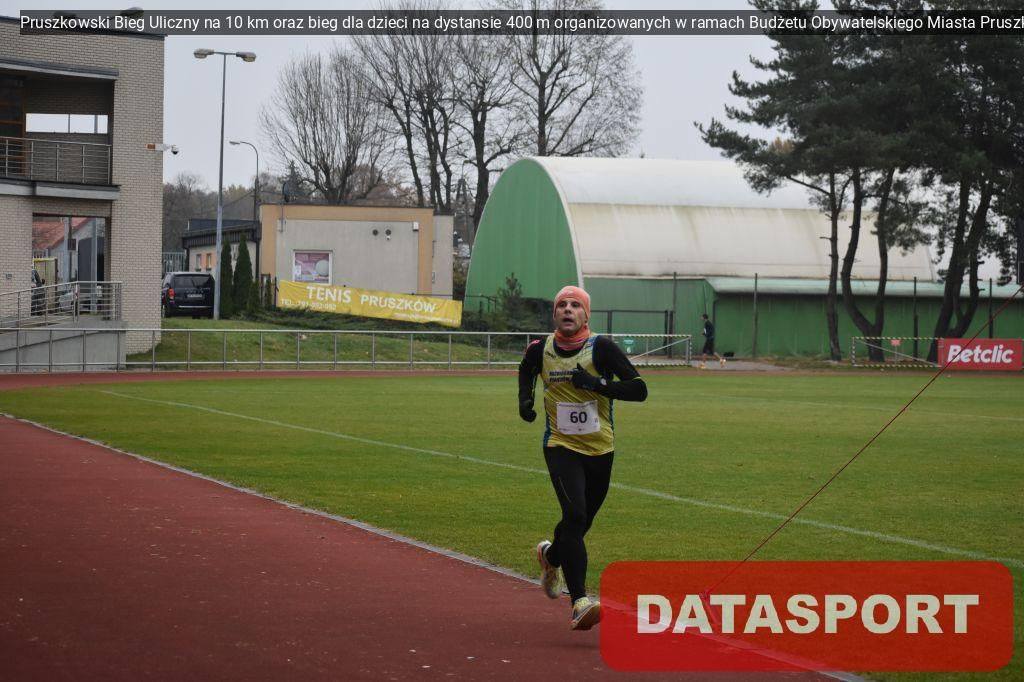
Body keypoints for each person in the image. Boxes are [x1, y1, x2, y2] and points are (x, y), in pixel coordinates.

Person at [518, 285, 648, 631]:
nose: (568, 309)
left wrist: (596, 383)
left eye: (575, 305)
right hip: (560, 445)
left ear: (586, 314)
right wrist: (525, 401)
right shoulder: (541, 349)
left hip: (600, 449)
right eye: (562, 304)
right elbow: (526, 369)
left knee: (580, 524)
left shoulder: (601, 348)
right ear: (554, 314)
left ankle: (550, 556)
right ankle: (579, 602)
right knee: (574, 515)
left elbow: (639, 389)